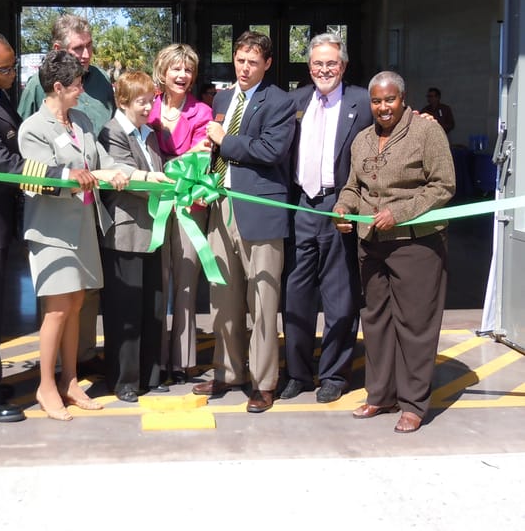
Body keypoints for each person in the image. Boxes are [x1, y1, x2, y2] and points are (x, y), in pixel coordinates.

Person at [0, 30, 88, 423]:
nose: (12, 74)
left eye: (12, 65)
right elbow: (1, 165)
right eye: (4, 68)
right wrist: (61, 175)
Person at [334, 71, 455, 433]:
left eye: (390, 100)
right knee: (376, 320)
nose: (383, 107)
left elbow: (443, 186)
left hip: (416, 244)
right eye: (376, 101)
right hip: (371, 245)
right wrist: (343, 209)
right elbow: (353, 187)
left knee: (415, 324)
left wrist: (399, 213)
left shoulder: (426, 132)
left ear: (403, 99)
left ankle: (414, 403)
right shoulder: (362, 140)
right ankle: (380, 394)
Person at [19, 50, 128, 419]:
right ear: (59, 86)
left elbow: (99, 161)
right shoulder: (33, 128)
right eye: (78, 85)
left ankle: (70, 380)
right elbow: (36, 178)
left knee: (76, 306)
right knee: (57, 309)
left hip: (82, 226)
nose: (83, 91)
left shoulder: (79, 120)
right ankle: (45, 386)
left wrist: (125, 173)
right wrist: (69, 177)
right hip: (51, 232)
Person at [195, 30, 295, 413]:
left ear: (267, 64)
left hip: (260, 210)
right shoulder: (222, 97)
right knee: (224, 297)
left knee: (263, 300)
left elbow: (271, 150)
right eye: (240, 60)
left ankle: (264, 380)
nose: (245, 68)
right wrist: (207, 167)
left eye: (253, 62)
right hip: (221, 207)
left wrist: (223, 139)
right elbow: (217, 149)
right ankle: (228, 371)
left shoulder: (280, 103)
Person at [17, 14, 115, 372]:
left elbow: (104, 150)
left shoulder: (97, 91)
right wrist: (68, 176)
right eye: (79, 48)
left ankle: (79, 362)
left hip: (90, 212)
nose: (87, 54)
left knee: (81, 296)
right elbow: (30, 163)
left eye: (90, 46)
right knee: (59, 303)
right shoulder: (35, 102)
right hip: (54, 219)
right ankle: (55, 371)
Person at [280, 33, 372, 404]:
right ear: (309, 66)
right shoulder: (295, 101)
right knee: (296, 297)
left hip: (340, 208)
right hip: (302, 206)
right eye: (317, 63)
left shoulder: (363, 101)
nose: (324, 69)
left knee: (340, 300)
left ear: (343, 66)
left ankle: (334, 374)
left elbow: (396, 124)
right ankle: (298, 373)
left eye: (331, 63)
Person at [98, 70, 172, 402]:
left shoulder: (149, 134)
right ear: (123, 101)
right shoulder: (111, 132)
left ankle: (151, 373)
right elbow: (124, 174)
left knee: (152, 305)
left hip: (153, 230)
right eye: (141, 101)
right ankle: (124, 379)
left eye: (151, 100)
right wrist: (161, 182)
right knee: (125, 310)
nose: (147, 107)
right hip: (126, 233)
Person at [147, 44, 212, 384]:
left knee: (186, 283)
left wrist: (174, 167)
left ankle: (183, 360)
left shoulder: (202, 112)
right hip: (154, 204)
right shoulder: (148, 108)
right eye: (176, 69)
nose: (183, 75)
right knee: (159, 282)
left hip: (189, 203)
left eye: (188, 69)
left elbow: (200, 160)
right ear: (163, 71)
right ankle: (155, 358)